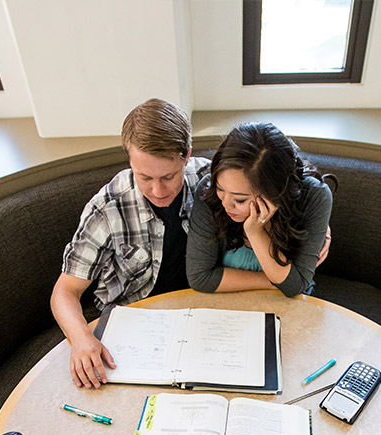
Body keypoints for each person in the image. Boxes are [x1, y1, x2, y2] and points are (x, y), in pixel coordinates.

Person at [50, 98, 209, 389]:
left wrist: (320, 235)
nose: (158, 190)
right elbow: (65, 292)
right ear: (130, 162)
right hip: (133, 324)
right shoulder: (107, 207)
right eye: (144, 177)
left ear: (186, 155)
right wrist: (81, 338)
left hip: (201, 313)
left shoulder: (208, 179)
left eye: (168, 176)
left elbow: (281, 189)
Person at [185, 122, 334, 298]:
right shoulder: (208, 192)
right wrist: (276, 282)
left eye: (240, 199)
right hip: (225, 305)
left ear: (275, 192)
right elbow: (200, 278)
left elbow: (296, 286)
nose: (226, 204)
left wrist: (255, 232)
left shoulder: (315, 196)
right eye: (220, 189)